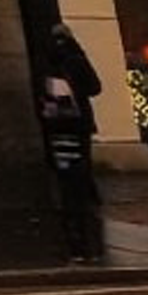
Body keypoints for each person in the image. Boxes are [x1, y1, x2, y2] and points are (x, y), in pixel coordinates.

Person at [42, 23, 104, 262]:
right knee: (80, 177)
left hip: (57, 128)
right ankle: (84, 242)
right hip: (77, 127)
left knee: (65, 177)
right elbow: (94, 87)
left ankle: (72, 237)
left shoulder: (47, 63)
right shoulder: (75, 59)